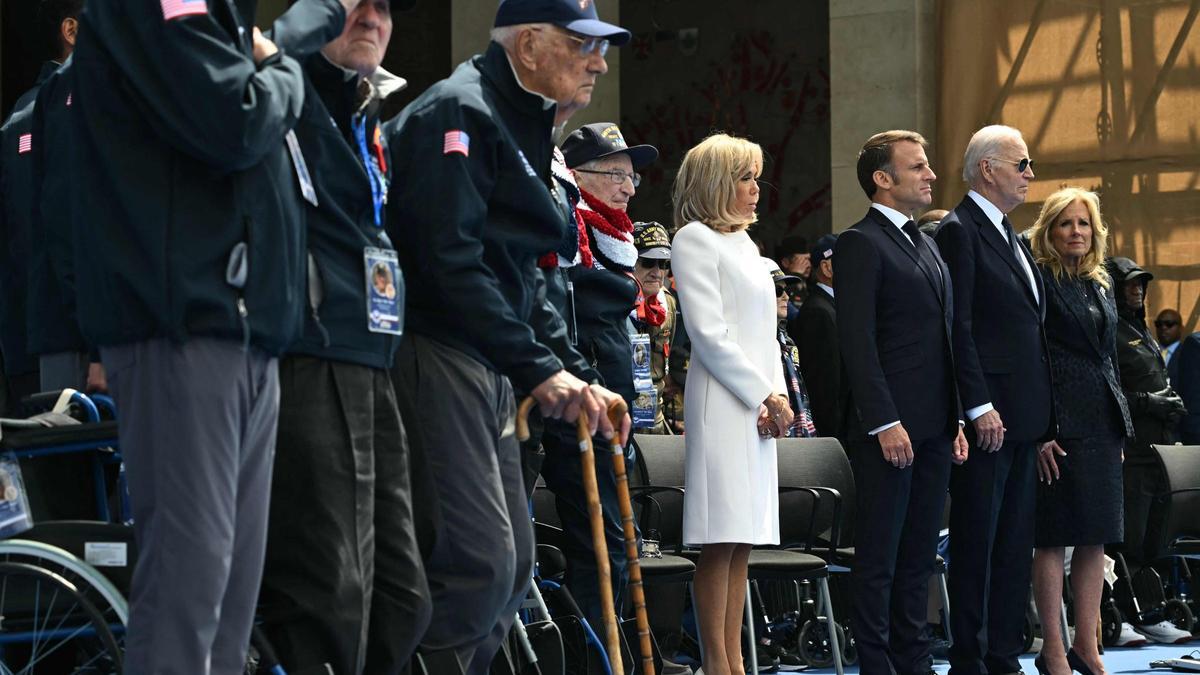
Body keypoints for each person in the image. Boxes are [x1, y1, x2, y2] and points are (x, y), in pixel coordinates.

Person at [71, 0, 342, 671]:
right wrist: (284, 56)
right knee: (189, 591)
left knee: (228, 599)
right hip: (184, 327)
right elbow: (235, 120)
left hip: (245, 333)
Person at [383, 1, 632, 671]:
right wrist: (541, 367)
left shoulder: (520, 122)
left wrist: (570, 372)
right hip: (440, 350)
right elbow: (449, 262)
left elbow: (533, 273)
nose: (598, 62)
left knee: (513, 566)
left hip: (490, 360)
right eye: (582, 45)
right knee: (478, 563)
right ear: (528, 46)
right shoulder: (458, 111)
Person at [253, 2, 433, 673]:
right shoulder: (283, 83)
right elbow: (285, 54)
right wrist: (310, 25)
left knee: (403, 591)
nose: (370, 17)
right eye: (350, 3)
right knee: (332, 587)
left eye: (384, 8)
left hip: (371, 352)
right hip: (311, 353)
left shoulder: (364, 108)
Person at [835, 130, 968, 675]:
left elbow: (945, 337)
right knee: (881, 556)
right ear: (882, 180)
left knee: (918, 553)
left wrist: (956, 415)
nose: (931, 175)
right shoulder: (860, 242)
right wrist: (884, 420)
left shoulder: (927, 243)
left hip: (936, 424)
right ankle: (876, 663)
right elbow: (858, 344)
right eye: (917, 167)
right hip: (890, 428)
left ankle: (914, 659)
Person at [932, 124, 1054, 675]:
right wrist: (976, 405)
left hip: (1024, 417)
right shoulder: (959, 231)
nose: (1031, 175)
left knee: (1012, 546)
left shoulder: (1011, 235)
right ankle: (972, 658)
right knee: (978, 542)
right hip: (990, 414)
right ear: (988, 169)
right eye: (1022, 164)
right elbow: (960, 326)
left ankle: (1006, 656)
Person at [671, 133, 792, 675]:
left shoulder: (748, 246)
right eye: (745, 178)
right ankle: (718, 664)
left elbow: (765, 334)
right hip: (722, 400)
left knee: (742, 539)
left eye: (756, 178)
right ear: (718, 182)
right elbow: (709, 332)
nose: (755, 189)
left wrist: (780, 396)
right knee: (720, 536)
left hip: (758, 403)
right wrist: (761, 391)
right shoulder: (694, 239)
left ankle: (736, 661)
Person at [547, 120, 653, 633]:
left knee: (617, 543)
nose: (628, 188)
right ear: (577, 175)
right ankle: (595, 658)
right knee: (598, 545)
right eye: (615, 174)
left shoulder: (616, 237)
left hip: (615, 407)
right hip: (578, 402)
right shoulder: (573, 230)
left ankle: (625, 649)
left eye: (632, 177)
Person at [1027, 187, 1134, 675]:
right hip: (1057, 423)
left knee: (1096, 536)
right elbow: (1032, 356)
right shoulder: (1039, 279)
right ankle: (1052, 650)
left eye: (1084, 224)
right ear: (1049, 230)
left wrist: (1121, 427)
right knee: (1052, 537)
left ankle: (1085, 646)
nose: (1076, 232)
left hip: (1101, 421)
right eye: (1066, 223)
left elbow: (1109, 357)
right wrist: (1041, 428)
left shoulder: (1101, 281)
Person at [0, 0, 81, 408]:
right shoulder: (76, 104)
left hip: (25, 342)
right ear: (72, 31)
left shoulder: (15, 117)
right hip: (81, 341)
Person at [789, 232, 851, 443]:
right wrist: (834, 439)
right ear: (827, 268)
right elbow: (824, 386)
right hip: (834, 436)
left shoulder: (834, 306)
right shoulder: (819, 312)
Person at [630, 221, 690, 434]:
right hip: (619, 417)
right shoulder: (613, 300)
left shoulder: (669, 304)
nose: (658, 272)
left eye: (664, 264)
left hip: (654, 415)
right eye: (648, 262)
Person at [765, 258, 816, 437]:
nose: (786, 296)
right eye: (778, 290)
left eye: (787, 290)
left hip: (794, 432)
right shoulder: (750, 341)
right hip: (765, 432)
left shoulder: (788, 342)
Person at [1156, 308, 1183, 380]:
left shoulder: (1188, 354)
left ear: (1181, 328)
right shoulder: (1148, 352)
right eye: (1159, 324)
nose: (1163, 327)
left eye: (1169, 324)